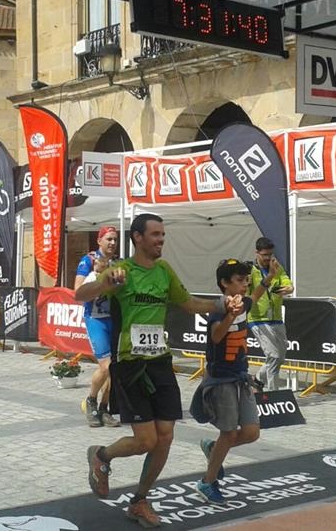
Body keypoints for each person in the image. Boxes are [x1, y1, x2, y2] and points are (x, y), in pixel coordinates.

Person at [75, 213, 238, 528]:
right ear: (137, 237)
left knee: (165, 437)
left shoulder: (164, 271)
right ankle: (102, 456)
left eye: (163, 235)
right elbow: (80, 295)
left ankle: (139, 500)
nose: (161, 240)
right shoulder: (122, 271)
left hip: (160, 362)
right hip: (131, 364)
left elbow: (188, 303)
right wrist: (104, 283)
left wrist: (222, 304)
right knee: (146, 441)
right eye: (155, 235)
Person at [190, 258, 279, 504]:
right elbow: (216, 337)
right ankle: (207, 482)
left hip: (241, 377)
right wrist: (230, 315)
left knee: (251, 432)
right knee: (228, 434)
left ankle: (214, 449)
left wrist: (270, 276)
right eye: (239, 280)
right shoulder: (218, 310)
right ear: (224, 283)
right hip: (221, 379)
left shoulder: (244, 303)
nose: (244, 285)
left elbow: (257, 295)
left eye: (246, 280)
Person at [74, 225, 120, 428]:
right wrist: (95, 273)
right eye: (109, 239)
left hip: (114, 319)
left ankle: (104, 408)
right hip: (95, 318)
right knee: (106, 366)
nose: (112, 243)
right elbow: (78, 291)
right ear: (99, 241)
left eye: (115, 239)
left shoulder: (118, 262)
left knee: (114, 368)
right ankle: (90, 400)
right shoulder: (88, 260)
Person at [247, 237, 294, 391]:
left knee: (280, 357)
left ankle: (258, 380)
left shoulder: (276, 266)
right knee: (273, 356)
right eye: (265, 255)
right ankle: (273, 393)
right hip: (257, 318)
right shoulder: (250, 270)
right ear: (257, 253)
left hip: (277, 317)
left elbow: (286, 281)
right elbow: (246, 294)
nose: (268, 258)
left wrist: (289, 288)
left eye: (270, 254)